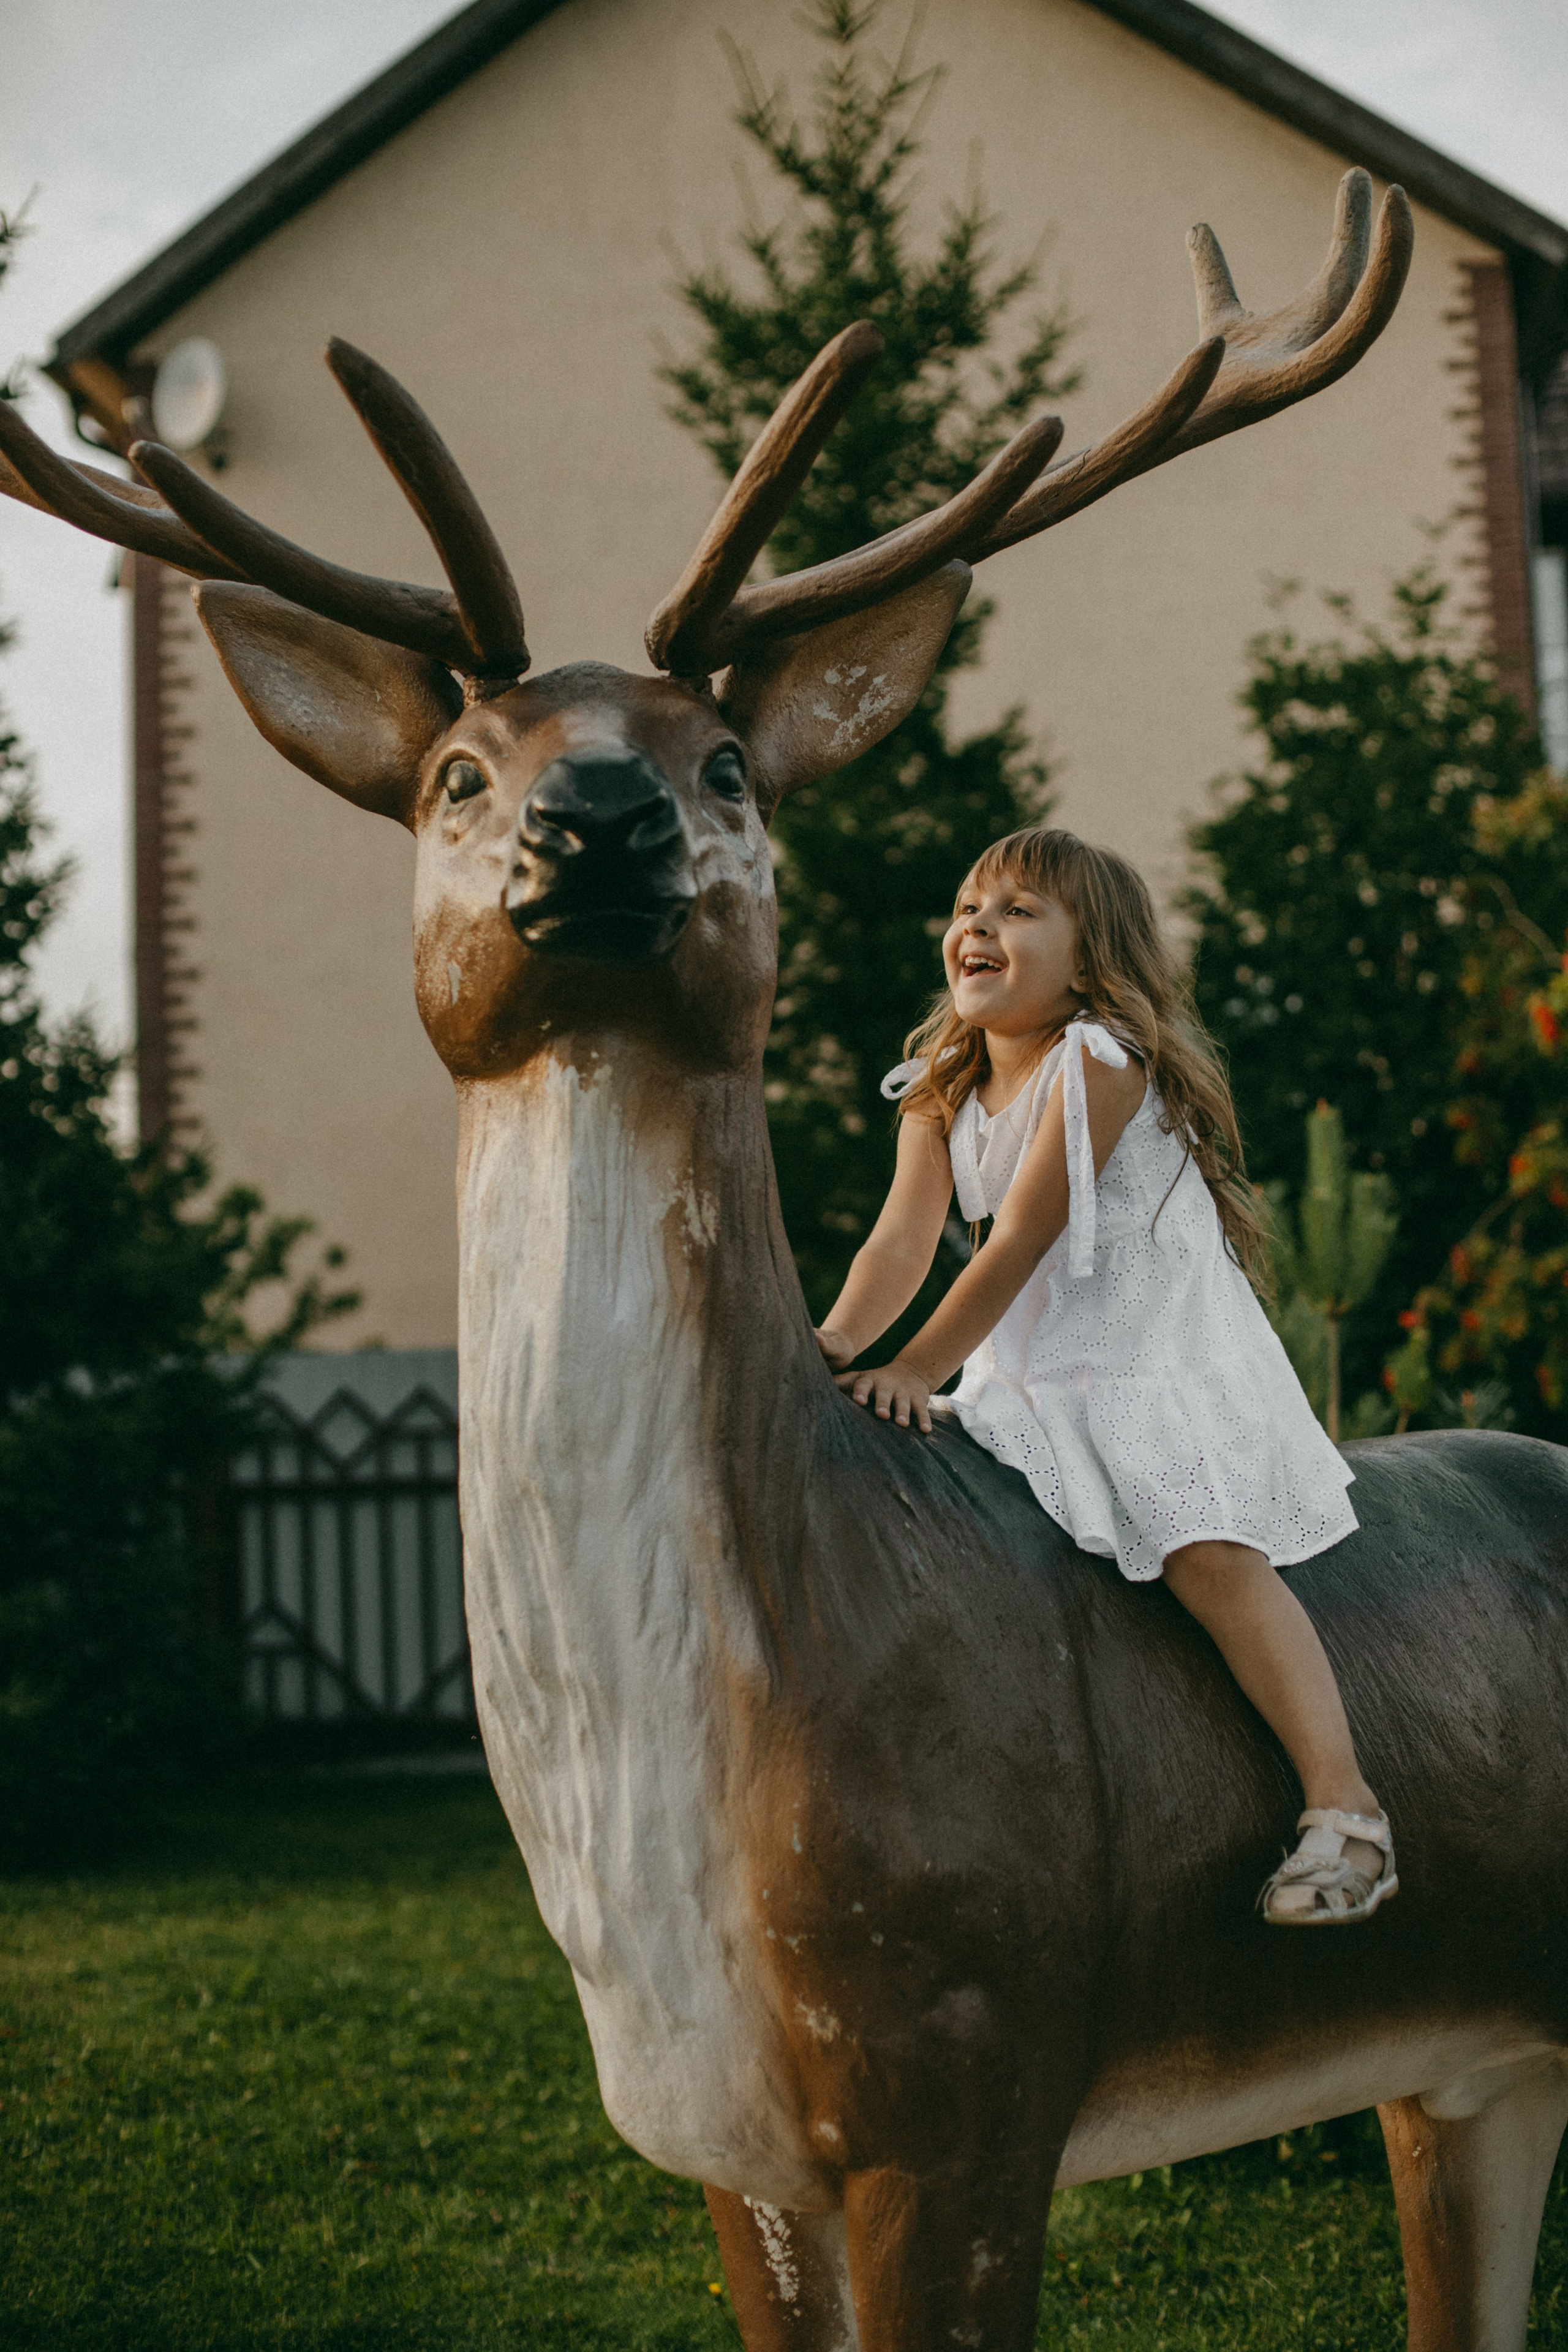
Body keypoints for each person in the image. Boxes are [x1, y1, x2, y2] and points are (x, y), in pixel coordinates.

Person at [815, 826, 1395, 1926]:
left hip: (1147, 1353)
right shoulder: (938, 1087)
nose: (979, 926)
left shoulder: (1098, 1059)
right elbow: (900, 1241)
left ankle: (1345, 1808)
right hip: (1027, 1368)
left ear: (1086, 964)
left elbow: (1025, 1233)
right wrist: (841, 1345)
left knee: (1205, 1551)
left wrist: (919, 1364)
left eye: (1019, 911)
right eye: (969, 907)